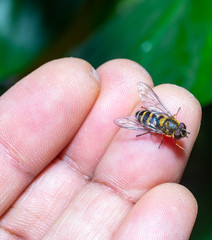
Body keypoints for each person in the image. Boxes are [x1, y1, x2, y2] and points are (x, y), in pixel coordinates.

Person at [0, 58, 201, 239]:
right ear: (174, 124)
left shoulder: (169, 121)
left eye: (179, 131)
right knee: (145, 128)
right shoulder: (168, 132)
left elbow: (154, 105)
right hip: (149, 120)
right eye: (179, 131)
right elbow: (160, 127)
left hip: (154, 117)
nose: (180, 131)